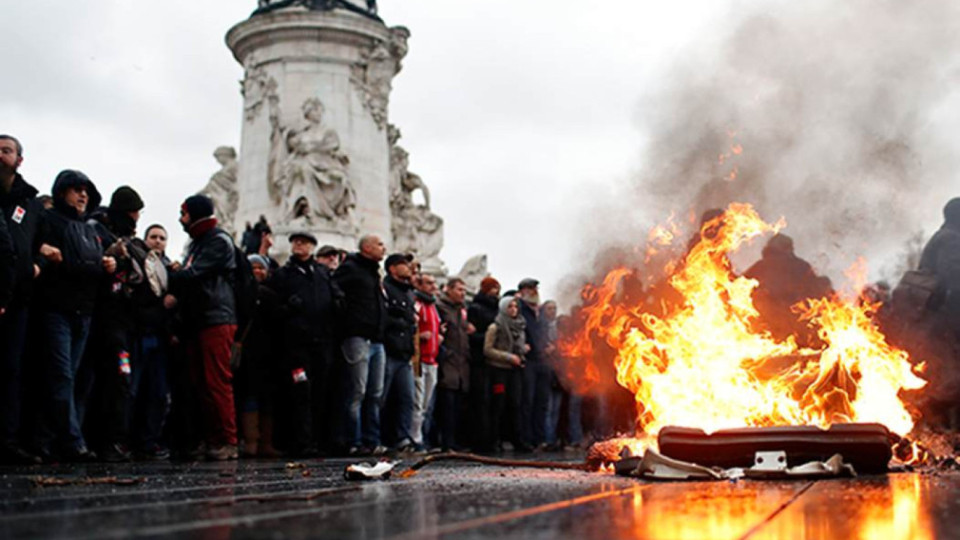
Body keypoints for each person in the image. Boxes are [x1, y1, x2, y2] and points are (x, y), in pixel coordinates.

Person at [34, 170, 112, 462]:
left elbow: (92, 270)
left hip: (84, 312)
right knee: (61, 377)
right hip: (57, 310)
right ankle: (72, 441)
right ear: (62, 192)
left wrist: (107, 264)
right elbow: (33, 249)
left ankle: (43, 440)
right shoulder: (49, 221)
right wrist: (40, 250)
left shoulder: (90, 230)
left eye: (86, 191)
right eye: (76, 189)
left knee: (65, 379)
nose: (83, 195)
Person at [168, 194, 239, 461]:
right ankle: (212, 439)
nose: (180, 219)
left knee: (217, 382)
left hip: (216, 317)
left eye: (184, 213)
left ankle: (228, 440)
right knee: (201, 383)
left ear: (196, 214)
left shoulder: (218, 241)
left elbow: (193, 274)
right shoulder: (198, 244)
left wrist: (168, 276)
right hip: (200, 319)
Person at [83, 186, 146, 462]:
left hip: (121, 321)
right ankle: (106, 440)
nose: (137, 219)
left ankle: (113, 439)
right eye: (134, 213)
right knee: (113, 380)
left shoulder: (123, 238)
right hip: (105, 322)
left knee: (119, 380)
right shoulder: (96, 230)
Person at [269, 231, 339, 455]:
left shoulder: (322, 274)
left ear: (312, 247)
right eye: (296, 242)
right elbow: (272, 309)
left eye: (305, 242)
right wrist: (288, 308)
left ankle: (318, 440)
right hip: (296, 345)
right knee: (300, 391)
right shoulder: (283, 275)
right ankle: (301, 441)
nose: (299, 245)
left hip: (321, 342)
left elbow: (335, 298)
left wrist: (338, 304)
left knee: (321, 391)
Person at [0, 134, 43, 464]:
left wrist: (36, 264)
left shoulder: (29, 202)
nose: (0, 156)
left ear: (19, 159)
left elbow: (38, 240)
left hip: (19, 297)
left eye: (6, 150)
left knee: (13, 370)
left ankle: (10, 439)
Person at [334, 234, 387, 455]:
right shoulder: (351, 268)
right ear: (366, 247)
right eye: (379, 244)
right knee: (357, 391)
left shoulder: (373, 272)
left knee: (375, 394)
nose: (384, 248)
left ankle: (371, 440)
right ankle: (353, 441)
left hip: (376, 339)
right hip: (357, 337)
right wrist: (350, 319)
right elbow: (335, 290)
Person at [236, 254, 282, 457]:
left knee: (268, 398)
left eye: (261, 268)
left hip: (269, 353)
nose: (257, 271)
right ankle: (251, 441)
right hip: (248, 353)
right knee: (250, 396)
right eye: (253, 267)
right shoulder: (240, 293)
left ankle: (266, 442)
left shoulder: (271, 294)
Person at [380, 253, 417, 450]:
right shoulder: (385, 288)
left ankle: (402, 437)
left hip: (404, 353)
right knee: (381, 397)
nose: (408, 267)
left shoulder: (409, 292)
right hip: (390, 350)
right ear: (392, 268)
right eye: (403, 264)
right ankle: (377, 437)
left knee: (406, 398)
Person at [483, 295, 528, 453]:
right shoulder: (495, 327)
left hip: (514, 371)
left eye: (515, 306)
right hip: (499, 370)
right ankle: (492, 441)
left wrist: (522, 352)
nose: (513, 309)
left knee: (515, 405)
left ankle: (517, 440)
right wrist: (508, 357)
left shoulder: (520, 326)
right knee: (498, 405)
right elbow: (487, 350)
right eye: (510, 306)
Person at [436, 277, 474, 451]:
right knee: (447, 407)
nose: (463, 294)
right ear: (449, 290)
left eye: (464, 291)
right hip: (448, 363)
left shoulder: (461, 310)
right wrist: (446, 354)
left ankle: (455, 442)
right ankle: (446, 443)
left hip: (461, 364)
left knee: (458, 407)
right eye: (459, 290)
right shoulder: (441, 308)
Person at [516, 278, 552, 450]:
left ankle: (540, 438)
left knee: (542, 402)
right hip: (528, 361)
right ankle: (526, 439)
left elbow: (544, 333)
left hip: (542, 361)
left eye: (536, 288)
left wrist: (548, 346)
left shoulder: (540, 312)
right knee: (527, 402)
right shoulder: (519, 310)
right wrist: (521, 347)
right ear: (522, 291)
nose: (534, 291)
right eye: (530, 288)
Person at [467, 276, 500, 449]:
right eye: (493, 288)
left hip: (496, 364)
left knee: (496, 400)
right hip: (480, 361)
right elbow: (471, 335)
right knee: (481, 401)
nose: (496, 291)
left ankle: (492, 439)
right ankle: (479, 440)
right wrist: (489, 339)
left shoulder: (497, 310)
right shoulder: (476, 308)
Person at [412, 273, 441, 449]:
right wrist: (420, 336)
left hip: (433, 359)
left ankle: (421, 436)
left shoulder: (433, 307)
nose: (433, 286)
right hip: (420, 359)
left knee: (427, 403)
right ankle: (415, 438)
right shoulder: (418, 304)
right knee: (418, 401)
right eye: (429, 283)